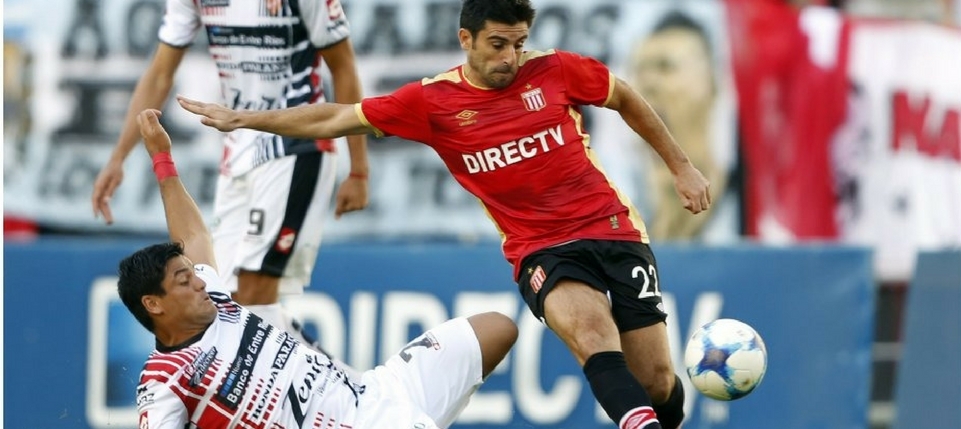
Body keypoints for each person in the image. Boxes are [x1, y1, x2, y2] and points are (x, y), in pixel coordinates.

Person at [178, 1, 711, 428]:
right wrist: (247, 119)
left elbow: (624, 97)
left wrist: (681, 166)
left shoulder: (557, 70)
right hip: (541, 248)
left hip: (612, 228)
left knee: (655, 381)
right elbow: (333, 118)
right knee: (592, 334)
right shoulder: (433, 103)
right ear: (466, 40)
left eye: (519, 43)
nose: (511, 57)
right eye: (498, 44)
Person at [119, 108, 517, 429]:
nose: (200, 282)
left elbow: (193, 236)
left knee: (497, 329)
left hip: (373, 392)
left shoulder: (216, 301)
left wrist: (162, 159)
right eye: (184, 281)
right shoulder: (165, 381)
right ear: (154, 303)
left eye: (194, 273)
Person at [90, 0, 370, 366]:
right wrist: (118, 157)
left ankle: (329, 392)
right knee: (220, 296)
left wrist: (358, 168)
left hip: (297, 144)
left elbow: (343, 65)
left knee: (254, 291)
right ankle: (339, 381)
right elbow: (160, 72)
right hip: (237, 146)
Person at [628, 10, 733, 241]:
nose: (648, 85)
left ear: (712, 84)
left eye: (665, 67)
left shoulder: (747, 206)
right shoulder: (618, 214)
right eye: (640, 69)